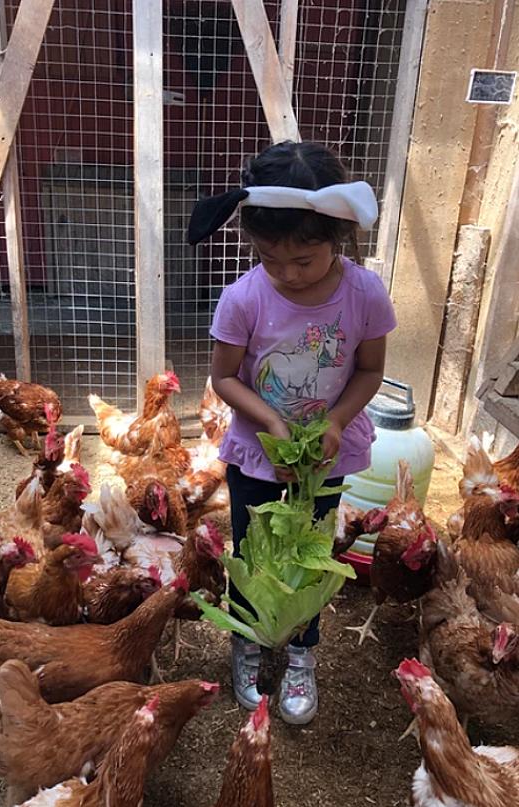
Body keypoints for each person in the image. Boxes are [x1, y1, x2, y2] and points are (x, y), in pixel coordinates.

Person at [188, 141, 397, 725]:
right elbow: (225, 378)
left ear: (339, 239)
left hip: (327, 455)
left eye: (304, 261)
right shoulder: (243, 298)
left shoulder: (365, 294)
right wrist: (273, 425)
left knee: (312, 556)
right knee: (253, 552)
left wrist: (334, 419)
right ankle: (249, 643)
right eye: (269, 258)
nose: (287, 273)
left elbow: (370, 369)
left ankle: (303, 650)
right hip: (258, 453)